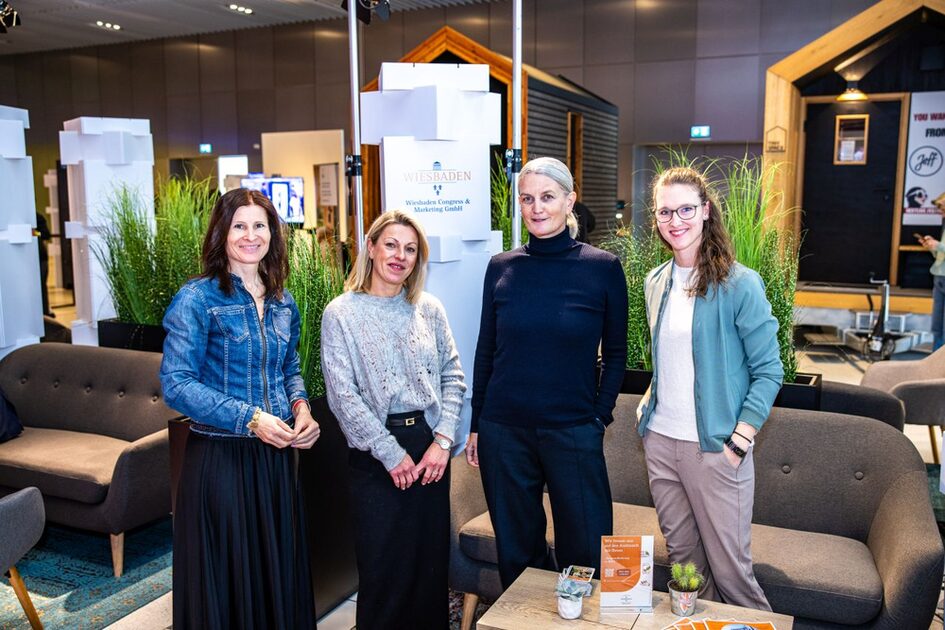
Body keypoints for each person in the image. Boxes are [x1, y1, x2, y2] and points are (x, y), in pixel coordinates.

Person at [160, 188, 319, 630]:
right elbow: (176, 384)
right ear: (221, 233)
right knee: (230, 582)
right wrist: (249, 418)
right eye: (240, 226)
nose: (251, 235)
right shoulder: (197, 299)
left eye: (259, 225)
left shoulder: (283, 300)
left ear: (273, 233)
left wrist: (302, 408)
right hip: (221, 461)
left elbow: (288, 368)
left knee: (273, 576)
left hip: (275, 459)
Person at [465, 156, 628, 589]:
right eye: (527, 199)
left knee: (587, 549)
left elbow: (616, 354)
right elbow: (487, 350)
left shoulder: (602, 268)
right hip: (504, 430)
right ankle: (524, 617)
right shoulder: (501, 267)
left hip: (573, 428)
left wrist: (598, 416)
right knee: (517, 551)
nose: (537, 208)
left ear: (570, 201)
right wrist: (478, 423)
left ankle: (582, 618)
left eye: (548, 197)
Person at [637, 166, 783, 610]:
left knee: (733, 578)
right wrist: (648, 406)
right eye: (665, 212)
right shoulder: (655, 281)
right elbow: (669, 360)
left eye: (685, 209)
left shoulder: (740, 284)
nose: (675, 221)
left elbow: (769, 370)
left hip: (717, 449)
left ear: (704, 211)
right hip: (661, 443)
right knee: (686, 572)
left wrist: (740, 439)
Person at [321, 209, 466, 629]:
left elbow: (453, 376)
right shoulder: (341, 313)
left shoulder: (429, 308)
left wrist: (442, 442)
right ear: (370, 247)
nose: (400, 256)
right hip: (374, 453)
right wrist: (390, 453)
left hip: (429, 450)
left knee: (428, 567)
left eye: (410, 249)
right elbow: (343, 396)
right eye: (391, 245)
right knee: (383, 568)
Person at [918, 191, 945, 350]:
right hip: (939, 277)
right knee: (937, 326)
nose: (941, 213)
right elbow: (941, 255)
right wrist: (932, 247)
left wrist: (938, 245)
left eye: (943, 209)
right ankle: (935, 358)